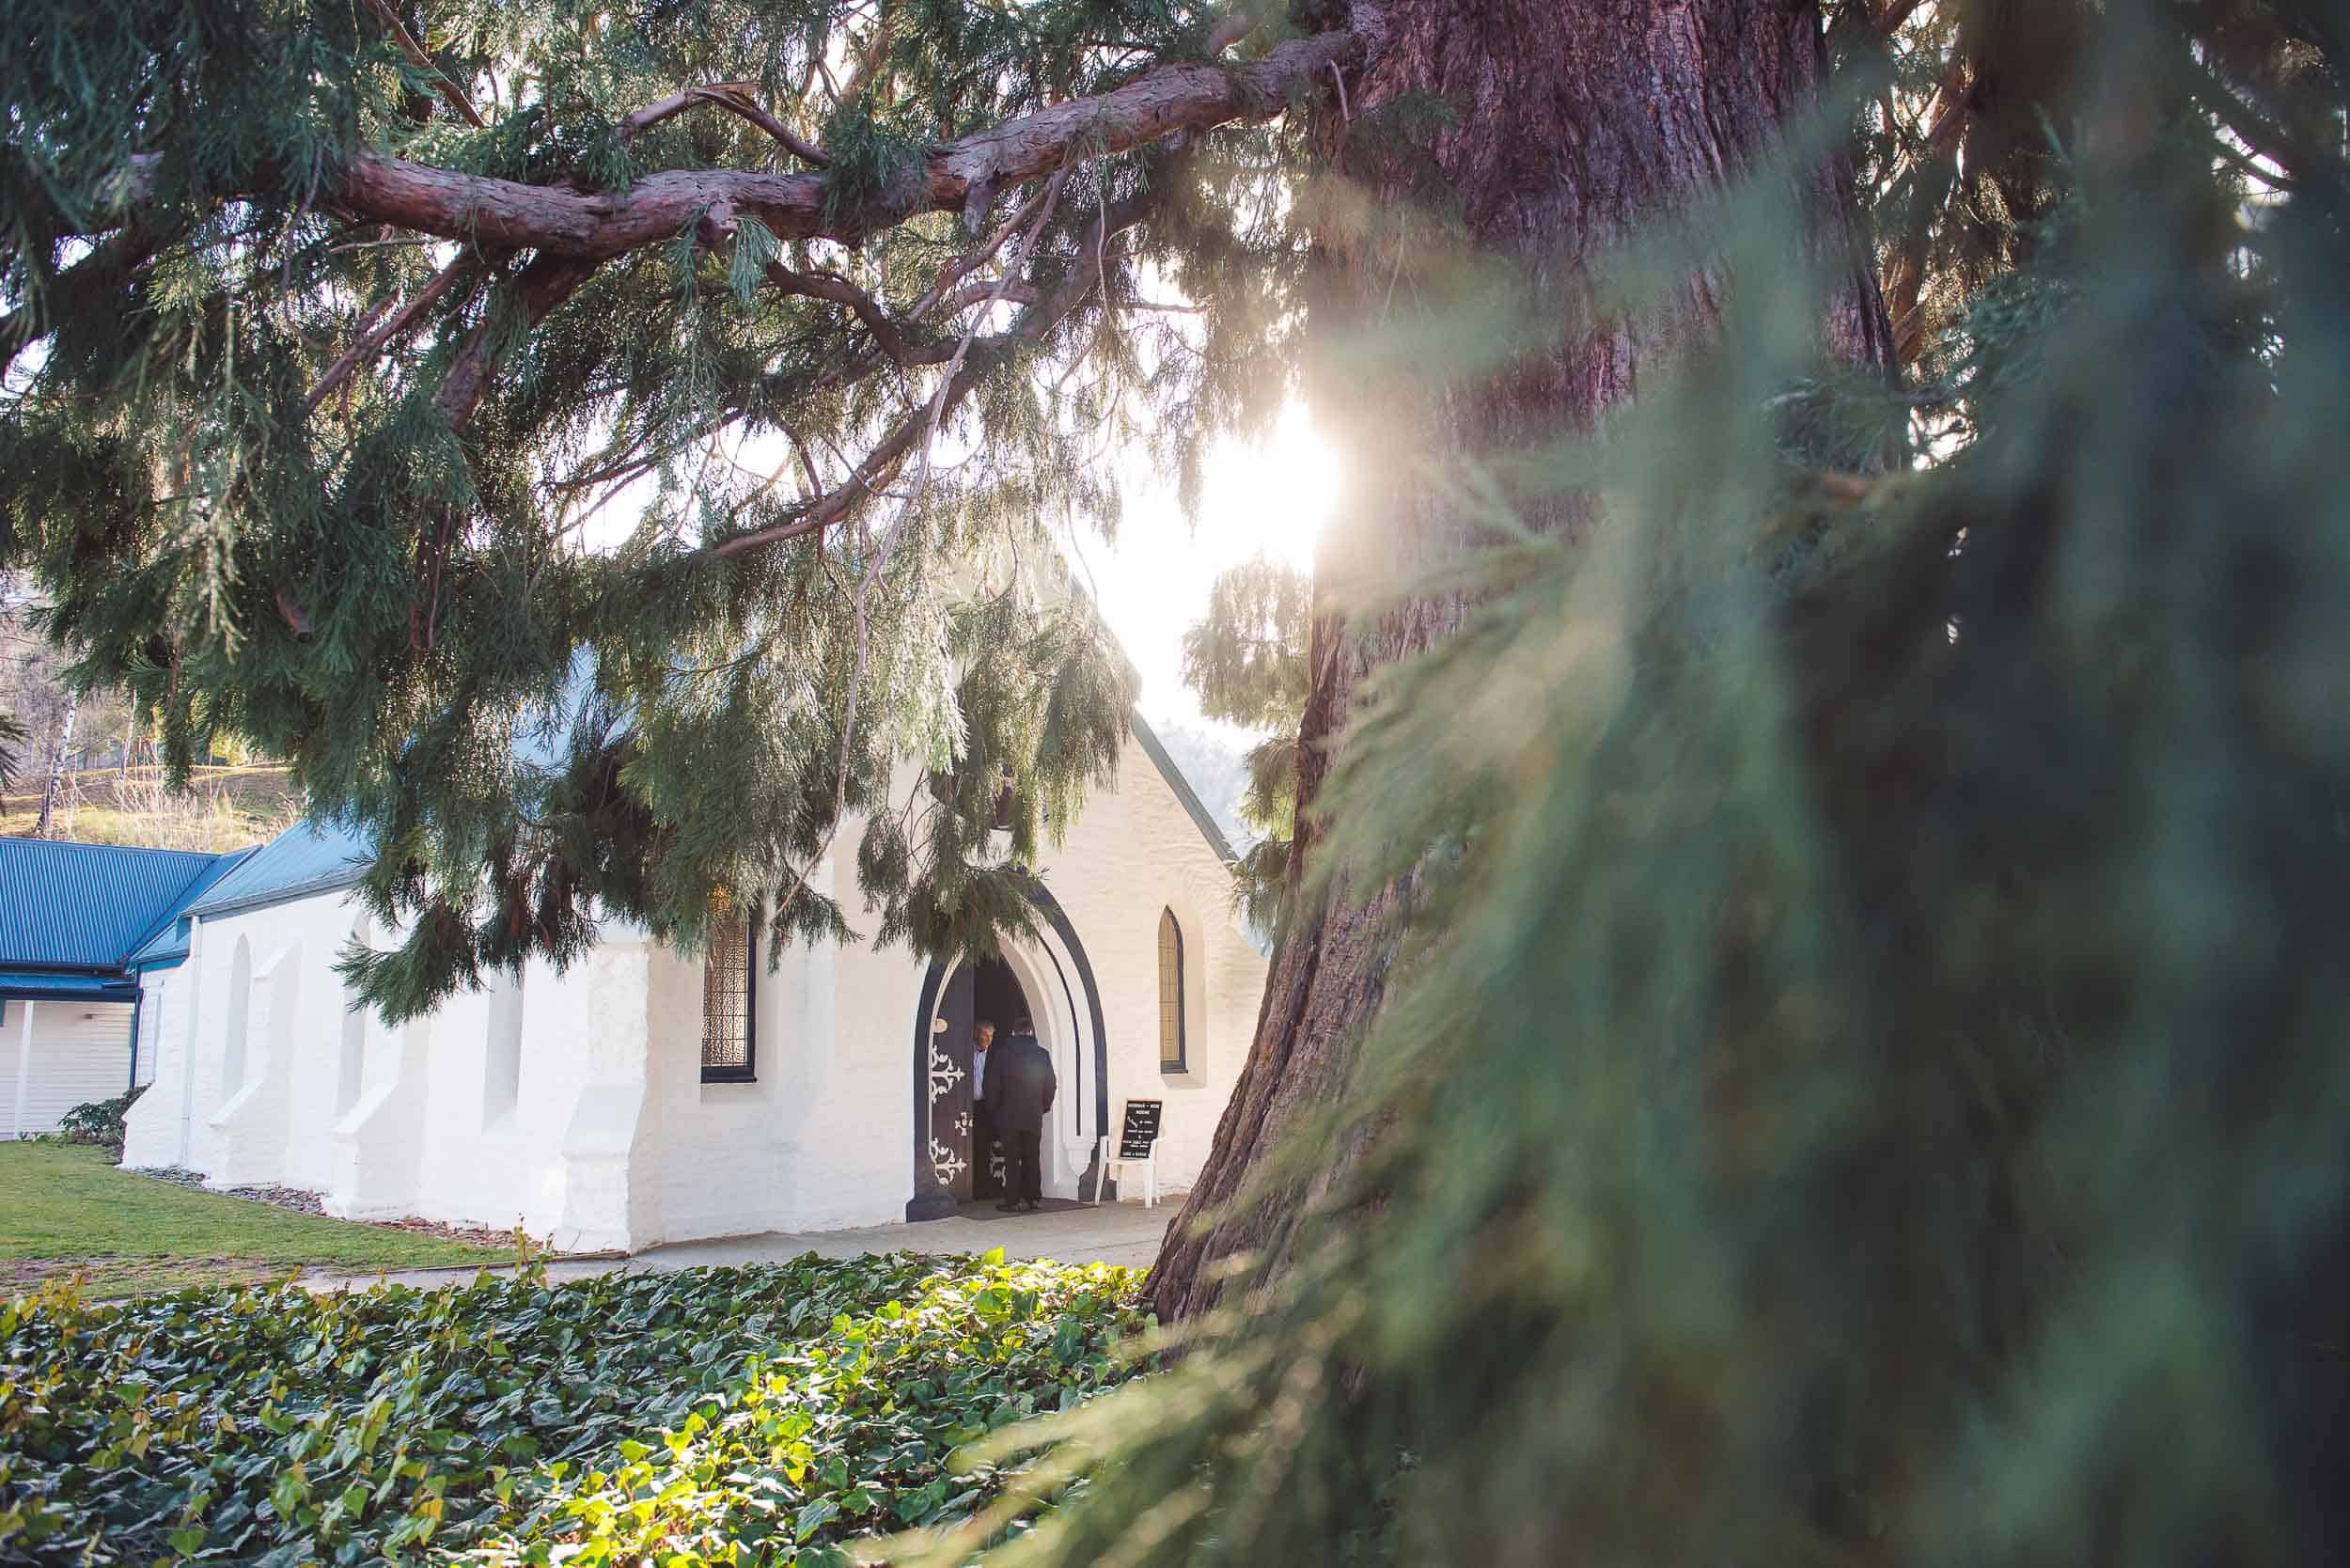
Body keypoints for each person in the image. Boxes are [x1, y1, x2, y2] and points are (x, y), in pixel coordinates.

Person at [982, 1013, 1056, 1213]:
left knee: (1012, 1159)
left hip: (1009, 1116)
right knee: (1032, 1156)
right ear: (1030, 1032)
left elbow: (992, 1085)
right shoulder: (1042, 1054)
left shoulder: (1003, 1054)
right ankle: (1033, 1198)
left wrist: (995, 1110)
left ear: (1013, 1032)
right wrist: (1043, 1107)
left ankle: (1013, 1201)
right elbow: (1051, 1085)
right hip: (1033, 1115)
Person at [970, 1018, 998, 1199]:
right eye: (984, 1035)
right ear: (976, 1034)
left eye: (991, 1036)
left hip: (985, 1108)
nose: (988, 1039)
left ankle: (983, 1188)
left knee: (983, 1147)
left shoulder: (996, 1056)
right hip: (964, 1105)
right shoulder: (965, 1050)